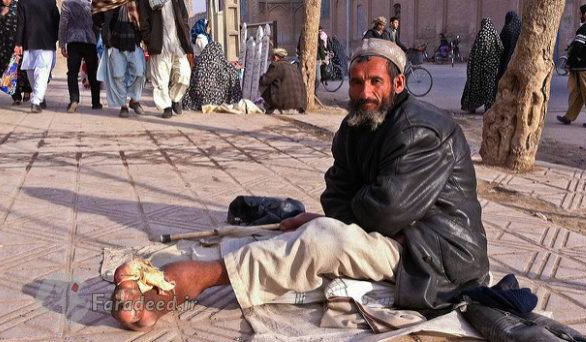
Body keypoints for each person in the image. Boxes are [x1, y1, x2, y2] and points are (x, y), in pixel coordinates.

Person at [109, 38, 490, 331]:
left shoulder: (420, 129)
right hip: (397, 238)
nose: (365, 92)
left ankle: (196, 279)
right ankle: (180, 269)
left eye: (376, 82)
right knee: (294, 228)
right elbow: (337, 194)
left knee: (322, 238)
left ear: (399, 83)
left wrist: (349, 219)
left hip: (437, 259)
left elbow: (384, 211)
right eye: (357, 83)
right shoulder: (355, 125)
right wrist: (349, 214)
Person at [137, 0, 193, 118]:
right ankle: (166, 106)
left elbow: (184, 15)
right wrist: (149, 39)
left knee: (184, 74)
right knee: (160, 77)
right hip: (158, 43)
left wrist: (186, 33)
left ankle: (175, 98)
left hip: (177, 42)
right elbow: (143, 20)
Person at [557, 4, 586, 128]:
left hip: (584, 68)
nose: (580, 16)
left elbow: (577, 48)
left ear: (585, 14)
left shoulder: (583, 30)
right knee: (578, 93)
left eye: (580, 14)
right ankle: (568, 117)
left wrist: (570, 63)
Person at [94, 2, 145, 118]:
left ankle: (134, 100)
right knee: (118, 75)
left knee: (139, 72)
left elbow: (145, 17)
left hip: (134, 42)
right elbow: (97, 18)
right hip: (115, 42)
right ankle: (123, 105)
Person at [13, 0, 60, 113]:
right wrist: (55, 38)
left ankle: (39, 97)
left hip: (29, 42)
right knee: (42, 72)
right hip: (46, 42)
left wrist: (18, 43)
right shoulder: (51, 2)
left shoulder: (23, 2)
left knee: (32, 70)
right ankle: (36, 101)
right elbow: (57, 23)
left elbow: (20, 24)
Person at [59, 0, 101, 113]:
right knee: (93, 72)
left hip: (73, 41)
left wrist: (62, 44)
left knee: (72, 73)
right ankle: (96, 102)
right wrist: (95, 38)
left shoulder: (67, 4)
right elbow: (97, 24)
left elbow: (63, 24)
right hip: (89, 41)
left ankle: (74, 100)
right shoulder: (92, 4)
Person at [181, 41, 242, 111]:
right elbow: (234, 79)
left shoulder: (198, 66)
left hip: (199, 102)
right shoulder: (225, 66)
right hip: (220, 101)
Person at [460, 18, 503, 113]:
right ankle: (488, 107)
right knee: (489, 87)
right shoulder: (494, 34)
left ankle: (472, 106)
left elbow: (477, 53)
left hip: (479, 68)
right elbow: (501, 48)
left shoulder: (481, 35)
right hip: (491, 68)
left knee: (475, 86)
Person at [0, 0, 31, 105]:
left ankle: (27, 90)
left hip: (19, 44)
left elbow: (26, 23)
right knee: (10, 71)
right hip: (3, 46)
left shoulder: (19, 7)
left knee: (23, 69)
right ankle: (16, 96)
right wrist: (1, 15)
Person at [259, 48, 306, 114]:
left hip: (284, 105)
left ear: (275, 57)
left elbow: (264, 81)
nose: (270, 59)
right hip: (299, 106)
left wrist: (262, 76)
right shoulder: (293, 67)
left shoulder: (275, 65)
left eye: (271, 57)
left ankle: (270, 107)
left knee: (263, 84)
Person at [497, 11, 521, 82]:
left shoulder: (507, 29)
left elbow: (500, 42)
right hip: (516, 58)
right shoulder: (519, 29)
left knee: (502, 75)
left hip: (505, 57)